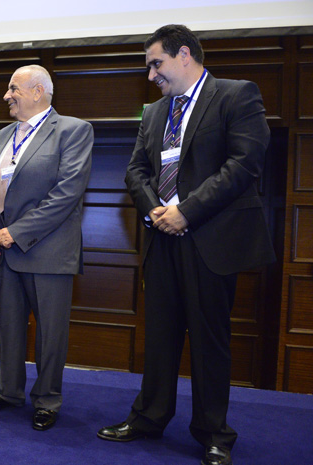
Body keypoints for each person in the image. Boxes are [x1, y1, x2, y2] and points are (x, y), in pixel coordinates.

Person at [96, 25, 274, 465]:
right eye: (148, 67)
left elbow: (244, 164)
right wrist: (156, 210)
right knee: (159, 336)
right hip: (162, 238)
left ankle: (214, 434)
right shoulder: (155, 112)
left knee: (209, 341)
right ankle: (148, 417)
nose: (151, 75)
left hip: (210, 240)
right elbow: (136, 170)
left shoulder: (236, 95)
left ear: (184, 55)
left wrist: (187, 212)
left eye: (156, 63)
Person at [0, 64, 93, 430]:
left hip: (48, 252)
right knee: (9, 328)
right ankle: (8, 391)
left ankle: (47, 400)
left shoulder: (73, 130)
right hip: (4, 251)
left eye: (13, 89)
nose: (6, 95)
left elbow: (67, 193)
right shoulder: (4, 134)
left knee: (50, 335)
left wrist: (15, 232)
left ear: (38, 91)